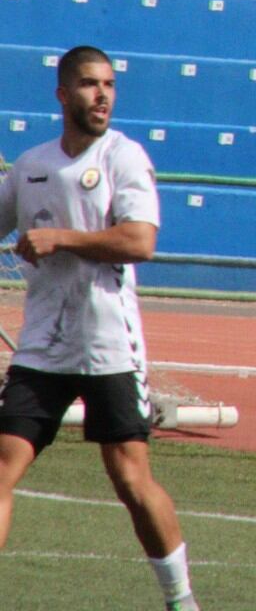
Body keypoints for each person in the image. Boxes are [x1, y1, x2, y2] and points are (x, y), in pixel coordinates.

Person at [0, 45, 201, 611]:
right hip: (42, 345)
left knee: (130, 478)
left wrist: (61, 238)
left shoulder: (124, 157)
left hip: (108, 343)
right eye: (90, 85)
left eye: (109, 84)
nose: (103, 95)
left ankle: (182, 602)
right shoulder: (31, 164)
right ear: (63, 94)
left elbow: (140, 241)